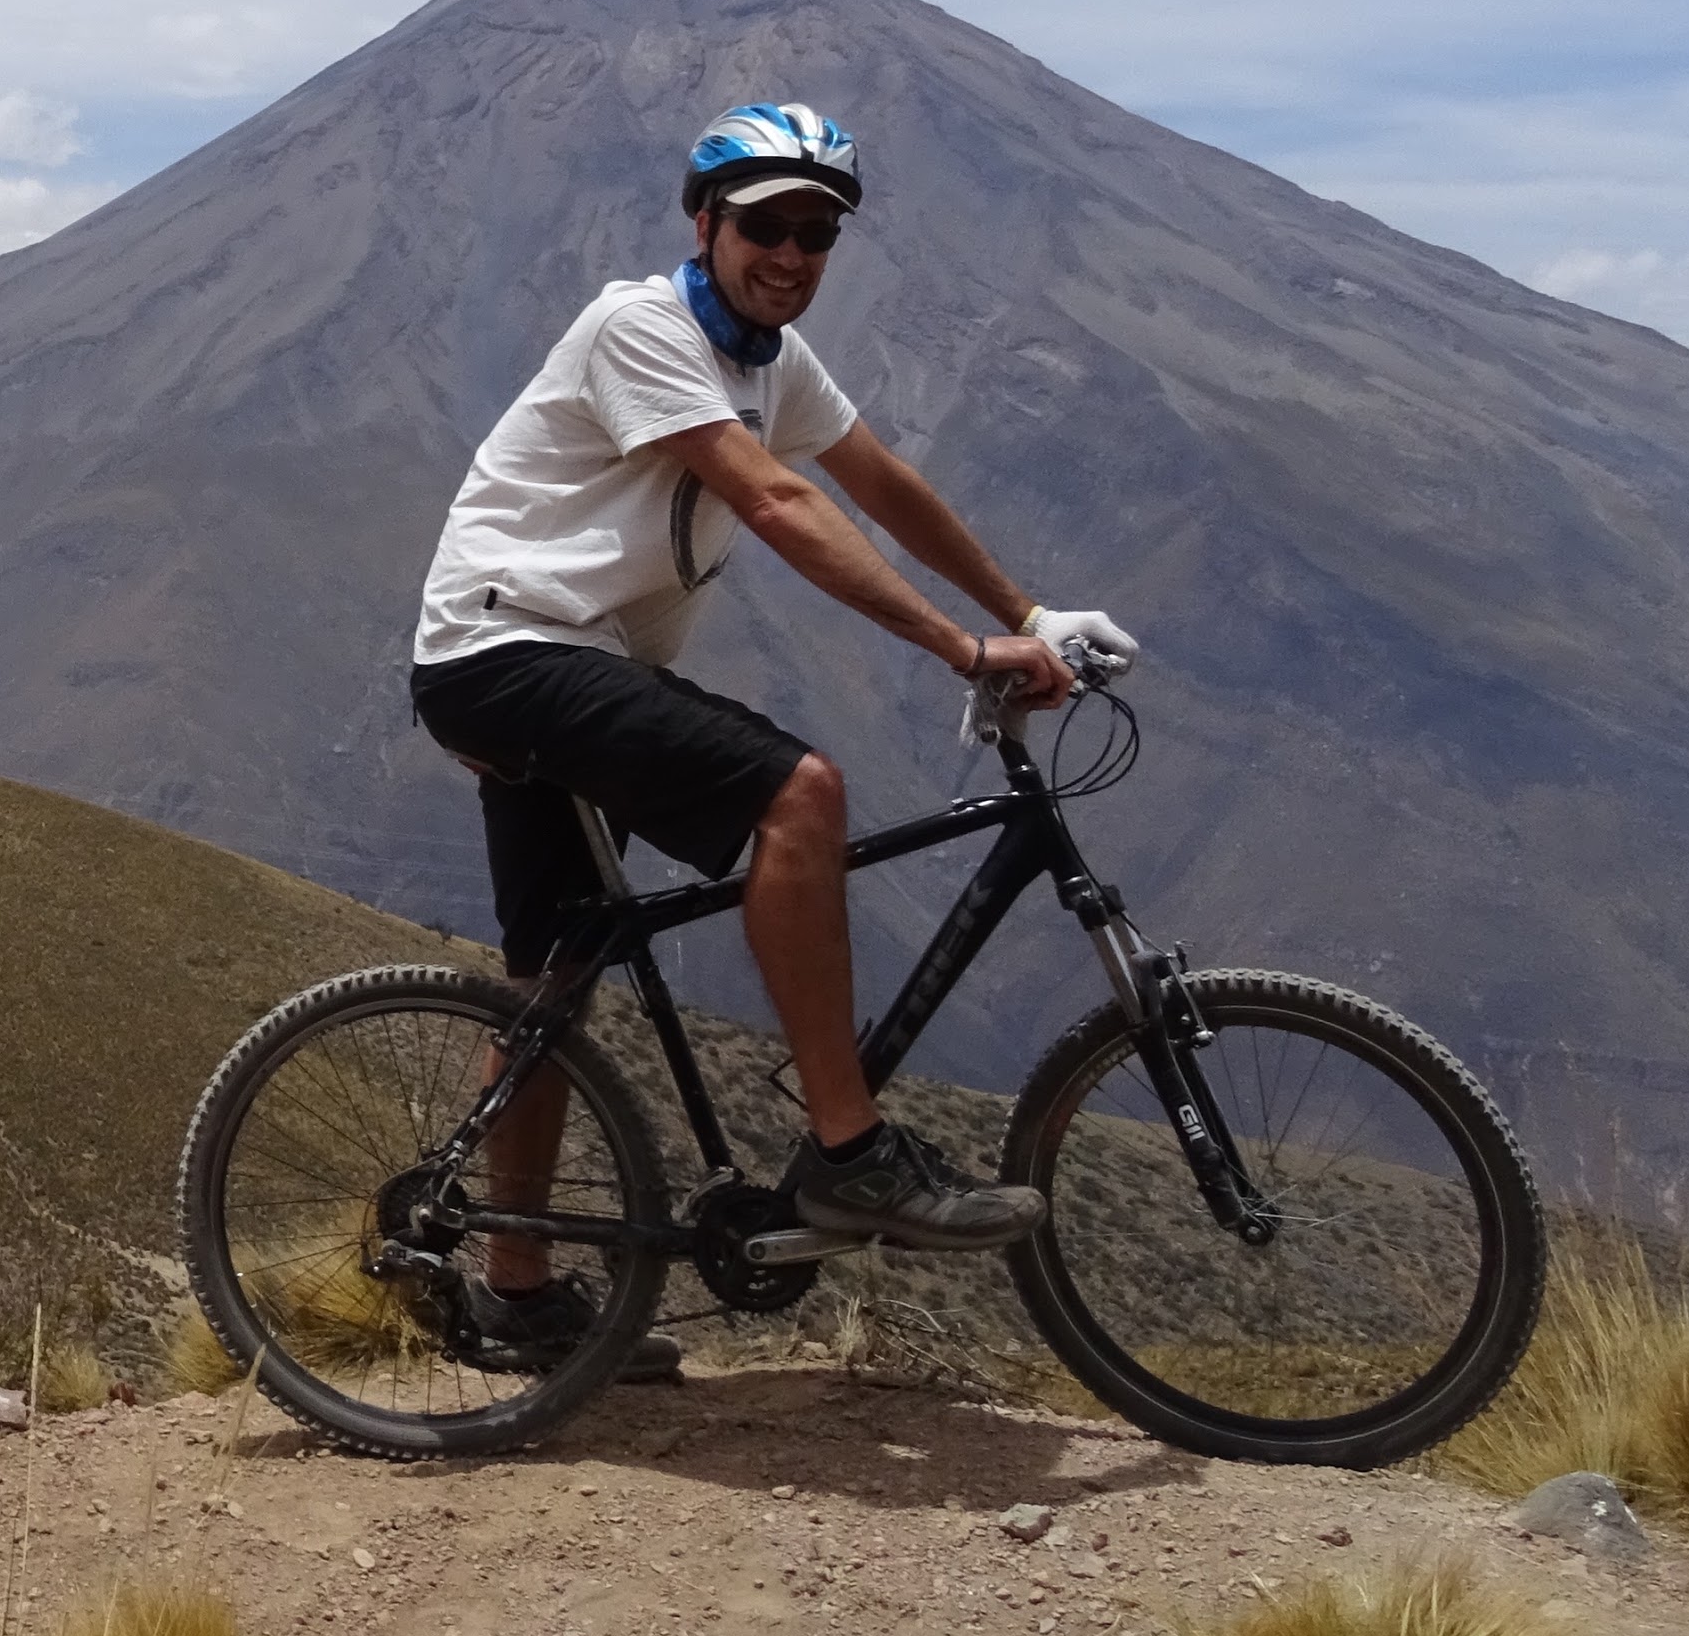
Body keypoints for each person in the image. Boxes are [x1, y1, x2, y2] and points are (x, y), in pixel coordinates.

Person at [405, 102, 1139, 1368]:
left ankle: (513, 1289)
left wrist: (1027, 611)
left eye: (816, 231)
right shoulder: (642, 325)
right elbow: (780, 495)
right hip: (509, 649)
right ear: (705, 222)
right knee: (799, 792)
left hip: (547, 664)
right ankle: (848, 1153)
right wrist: (963, 650)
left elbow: (880, 481)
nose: (791, 252)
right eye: (764, 225)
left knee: (551, 981)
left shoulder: (769, 361)